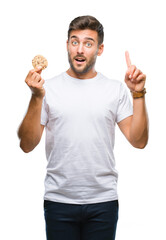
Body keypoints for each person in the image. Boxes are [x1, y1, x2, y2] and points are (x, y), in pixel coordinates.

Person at [18, 15, 149, 240]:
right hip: (59, 201)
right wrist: (36, 97)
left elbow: (139, 141)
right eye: (74, 41)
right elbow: (27, 144)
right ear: (67, 45)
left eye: (88, 43)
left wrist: (137, 94)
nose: (80, 49)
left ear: (99, 49)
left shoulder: (114, 89)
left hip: (103, 202)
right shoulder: (47, 88)